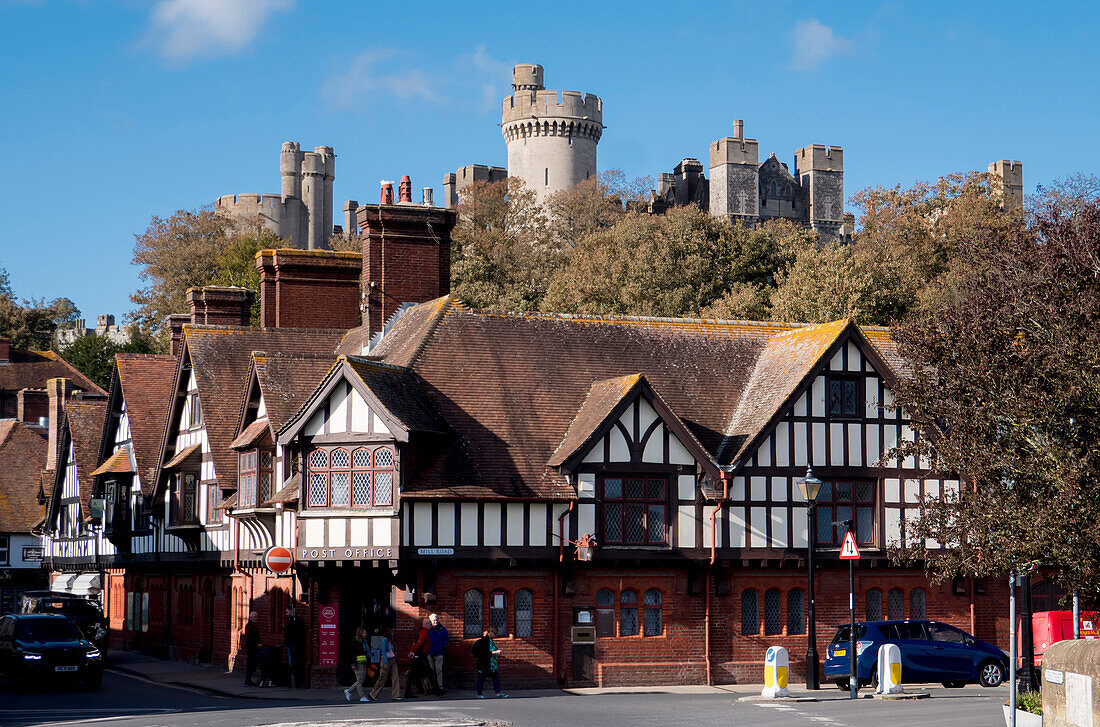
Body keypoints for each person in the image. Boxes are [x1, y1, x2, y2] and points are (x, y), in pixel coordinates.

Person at [405, 618, 442, 698]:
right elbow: (419, 643)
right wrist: (414, 652)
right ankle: (437, 691)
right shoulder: (424, 632)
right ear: (425, 624)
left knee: (424, 673)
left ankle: (437, 691)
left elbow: (415, 643)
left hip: (419, 656)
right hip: (420, 656)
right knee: (426, 673)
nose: (430, 625)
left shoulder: (422, 632)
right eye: (429, 623)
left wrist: (412, 652)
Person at [367, 627, 402, 702]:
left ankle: (396, 695)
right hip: (386, 660)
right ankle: (373, 694)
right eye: (392, 632)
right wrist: (385, 662)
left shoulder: (391, 641)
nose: (393, 633)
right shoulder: (384, 640)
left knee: (395, 677)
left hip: (392, 660)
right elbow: (383, 651)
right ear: (388, 633)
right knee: (382, 678)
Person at [472, 626, 508, 698]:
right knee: (481, 679)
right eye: (494, 633)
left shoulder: (490, 641)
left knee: (495, 678)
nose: (495, 635)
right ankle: (479, 694)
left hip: (492, 664)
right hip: (485, 664)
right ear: (490, 632)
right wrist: (496, 652)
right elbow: (485, 653)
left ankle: (497, 693)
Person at [344, 627, 371, 702]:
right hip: (358, 663)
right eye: (364, 633)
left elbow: (366, 652)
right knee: (359, 680)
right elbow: (353, 653)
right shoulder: (356, 642)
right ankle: (362, 697)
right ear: (360, 633)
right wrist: (353, 663)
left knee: (362, 680)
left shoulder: (364, 642)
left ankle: (349, 691)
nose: (366, 634)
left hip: (363, 661)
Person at [284, 608, 306, 688]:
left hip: (292, 645)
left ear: (291, 611)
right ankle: (294, 681)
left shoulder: (293, 621)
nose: (286, 613)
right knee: (292, 662)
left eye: (287, 611)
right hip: (292, 645)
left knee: (292, 663)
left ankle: (294, 681)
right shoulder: (292, 620)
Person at [427, 613, 449, 691]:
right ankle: (431, 687)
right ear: (430, 621)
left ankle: (439, 686)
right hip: (430, 652)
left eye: (436, 620)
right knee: (431, 670)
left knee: (439, 670)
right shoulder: (428, 629)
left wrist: (442, 645)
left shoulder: (442, 629)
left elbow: (446, 639)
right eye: (433, 620)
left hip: (439, 652)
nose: (435, 622)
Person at [243, 611, 261, 686]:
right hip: (251, 648)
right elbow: (249, 638)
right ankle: (248, 680)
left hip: (253, 648)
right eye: (254, 617)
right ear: (250, 617)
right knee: (250, 664)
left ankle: (248, 680)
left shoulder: (253, 625)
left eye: (256, 617)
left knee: (251, 664)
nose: (256, 618)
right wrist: (257, 644)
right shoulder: (249, 626)